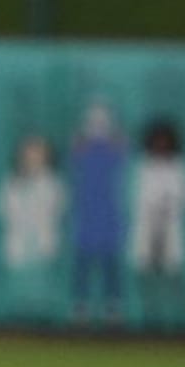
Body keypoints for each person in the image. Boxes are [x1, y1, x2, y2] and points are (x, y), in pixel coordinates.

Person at [67, 102, 129, 325]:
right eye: (93, 122)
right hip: (86, 218)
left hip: (108, 218)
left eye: (102, 122)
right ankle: (80, 306)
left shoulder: (115, 150)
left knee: (111, 267)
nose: (97, 127)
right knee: (83, 266)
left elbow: (124, 152)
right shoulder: (81, 150)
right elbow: (72, 158)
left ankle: (113, 307)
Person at [128, 118, 185, 330]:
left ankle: (179, 321)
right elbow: (138, 197)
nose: (161, 145)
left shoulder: (179, 167)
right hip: (148, 227)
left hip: (170, 226)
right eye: (157, 141)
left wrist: (168, 206)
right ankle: (149, 321)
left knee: (173, 277)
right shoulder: (144, 167)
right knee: (146, 277)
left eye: (165, 141)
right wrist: (153, 210)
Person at [0, 134, 66, 321]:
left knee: (41, 284)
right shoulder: (12, 181)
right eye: (29, 153)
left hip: (42, 242)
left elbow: (58, 208)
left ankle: (41, 315)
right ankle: (20, 315)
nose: (34, 157)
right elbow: (4, 208)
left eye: (39, 153)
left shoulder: (53, 183)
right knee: (19, 285)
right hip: (19, 242)